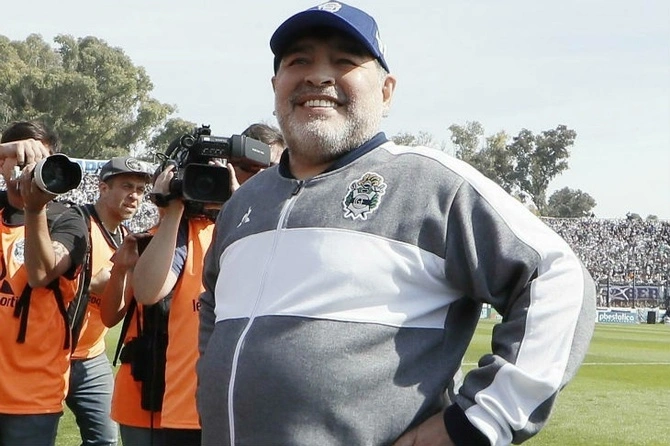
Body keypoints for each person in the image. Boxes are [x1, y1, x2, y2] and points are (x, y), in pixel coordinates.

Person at [196, 3, 597, 446]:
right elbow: (213, 305)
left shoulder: (431, 184)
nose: (318, 76)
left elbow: (557, 277)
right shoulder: (244, 201)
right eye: (298, 61)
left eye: (344, 61)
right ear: (276, 86)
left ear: (386, 92)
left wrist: (479, 422)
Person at [0, 121, 89, 446]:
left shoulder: (68, 219)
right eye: (24, 158)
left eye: (41, 162)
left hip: (32, 396)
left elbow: (40, 273)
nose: (31, 169)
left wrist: (34, 208)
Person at [65, 157, 152, 446]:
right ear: (103, 188)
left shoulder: (127, 239)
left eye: (140, 189)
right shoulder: (76, 223)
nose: (135, 196)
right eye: (127, 186)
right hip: (52, 354)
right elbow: (80, 280)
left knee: (105, 441)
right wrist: (114, 275)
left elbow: (116, 308)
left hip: (91, 355)